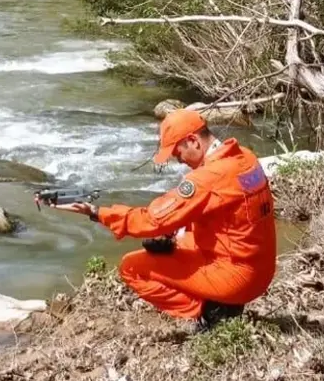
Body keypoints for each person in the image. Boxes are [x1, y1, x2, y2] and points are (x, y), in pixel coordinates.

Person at [41, 108, 277, 328]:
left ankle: (211, 312)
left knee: (132, 267)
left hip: (238, 279)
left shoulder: (208, 178)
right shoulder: (245, 157)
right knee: (175, 241)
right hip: (261, 269)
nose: (178, 160)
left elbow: (152, 220)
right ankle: (221, 302)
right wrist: (176, 232)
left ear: (193, 141)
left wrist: (95, 212)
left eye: (177, 152)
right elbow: (221, 210)